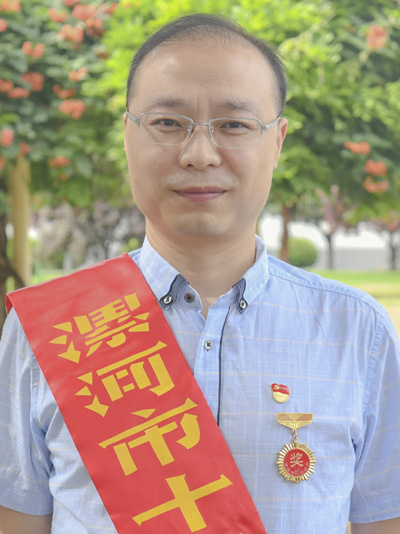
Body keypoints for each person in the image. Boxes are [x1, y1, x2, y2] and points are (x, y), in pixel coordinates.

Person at [0, 13, 399, 534]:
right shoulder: (49, 331)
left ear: (277, 141)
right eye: (168, 123)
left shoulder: (358, 331)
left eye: (234, 125)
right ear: (128, 135)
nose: (199, 154)